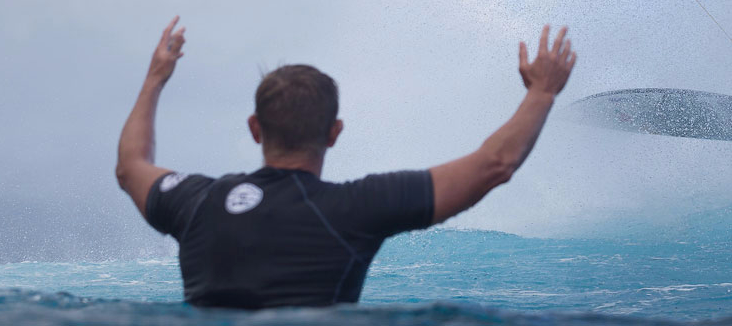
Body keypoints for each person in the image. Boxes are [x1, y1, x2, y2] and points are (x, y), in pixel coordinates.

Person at [115, 16, 577, 309]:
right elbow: (495, 164)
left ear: (255, 129)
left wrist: (157, 77)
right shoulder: (356, 208)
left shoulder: (197, 202)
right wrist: (542, 92)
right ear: (335, 133)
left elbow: (131, 164)